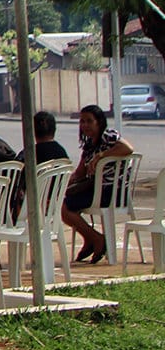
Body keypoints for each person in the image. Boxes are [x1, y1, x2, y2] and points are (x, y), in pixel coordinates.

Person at [61, 104, 133, 264]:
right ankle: (91, 238)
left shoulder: (108, 136)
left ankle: (97, 239)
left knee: (65, 208)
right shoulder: (88, 146)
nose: (84, 125)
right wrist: (62, 185)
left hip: (111, 191)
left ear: (99, 122)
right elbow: (79, 173)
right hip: (95, 190)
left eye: (89, 121)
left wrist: (102, 155)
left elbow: (128, 148)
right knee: (63, 204)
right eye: (82, 121)